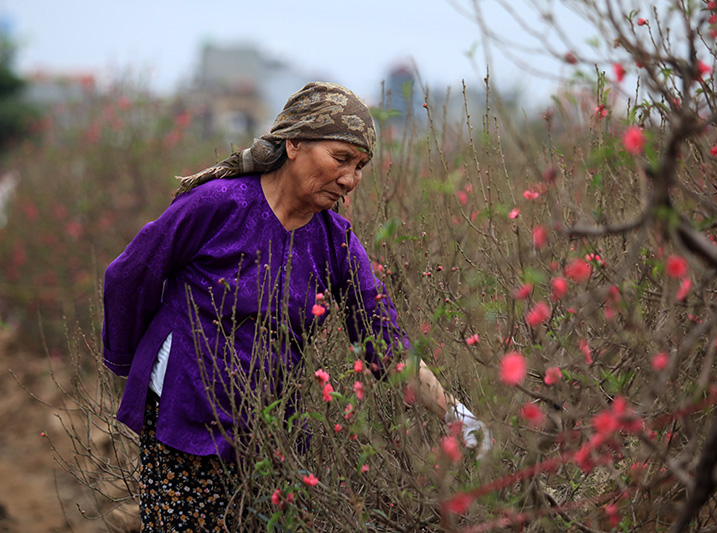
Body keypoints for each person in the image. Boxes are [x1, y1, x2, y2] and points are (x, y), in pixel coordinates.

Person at [102, 81, 491, 530]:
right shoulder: (218, 205)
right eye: (340, 158)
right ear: (293, 145)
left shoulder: (335, 242)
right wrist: (134, 363)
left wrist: (458, 415)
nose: (350, 179)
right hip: (184, 412)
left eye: (360, 166)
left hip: (268, 430)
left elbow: (383, 342)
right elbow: (130, 273)